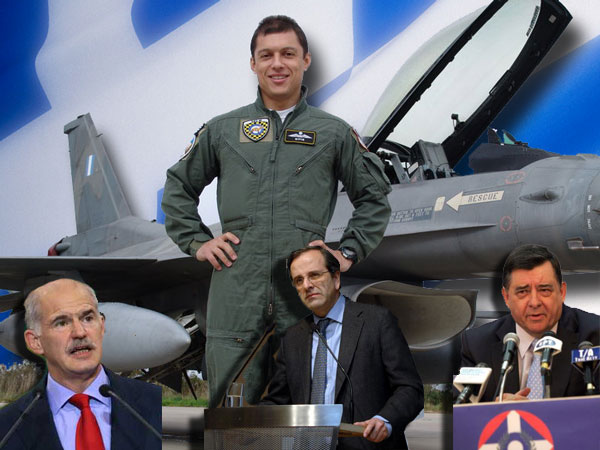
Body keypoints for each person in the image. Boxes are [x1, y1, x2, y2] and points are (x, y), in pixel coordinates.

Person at [161, 15, 391, 407]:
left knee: (310, 412)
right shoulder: (223, 131)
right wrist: (198, 242)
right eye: (266, 55)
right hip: (237, 294)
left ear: (306, 60)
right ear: (253, 63)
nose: (277, 64)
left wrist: (347, 252)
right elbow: (178, 187)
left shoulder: (333, 133)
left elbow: (375, 198)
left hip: (304, 295)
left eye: (288, 54)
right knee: (231, 415)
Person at [261, 247, 423, 450]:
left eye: (314, 275)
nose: (307, 285)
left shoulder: (377, 321)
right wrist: (241, 419)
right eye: (299, 280)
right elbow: (278, 401)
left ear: (336, 278)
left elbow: (409, 389)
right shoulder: (292, 338)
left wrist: (385, 420)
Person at [0, 279, 161, 449]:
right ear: (35, 342)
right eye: (61, 323)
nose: (79, 332)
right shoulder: (9, 426)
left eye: (88, 318)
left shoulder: (152, 403)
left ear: (102, 326)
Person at [460, 244, 600, 402]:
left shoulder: (595, 335)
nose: (534, 302)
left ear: (562, 292)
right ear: (506, 297)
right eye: (522, 292)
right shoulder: (477, 346)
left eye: (544, 290)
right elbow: (460, 410)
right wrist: (495, 411)